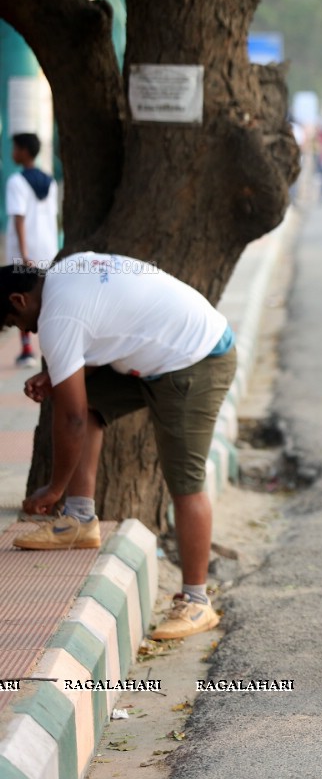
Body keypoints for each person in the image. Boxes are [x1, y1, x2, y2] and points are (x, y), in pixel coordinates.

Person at [1, 254, 237, 640]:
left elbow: (72, 419)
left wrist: (53, 489)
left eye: (14, 324)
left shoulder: (56, 319)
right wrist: (54, 373)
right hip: (167, 347)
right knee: (88, 398)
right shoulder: (66, 272)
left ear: (18, 300)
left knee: (184, 480)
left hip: (197, 359)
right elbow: (106, 331)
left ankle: (197, 601)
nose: (22, 330)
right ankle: (79, 520)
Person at [5, 133, 59, 368]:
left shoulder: (16, 182)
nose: (12, 153)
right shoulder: (51, 182)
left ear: (25, 151)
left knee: (17, 299)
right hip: (48, 247)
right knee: (44, 298)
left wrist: (24, 253)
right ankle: (50, 347)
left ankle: (27, 349)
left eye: (15, 148)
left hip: (23, 250)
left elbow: (19, 218)